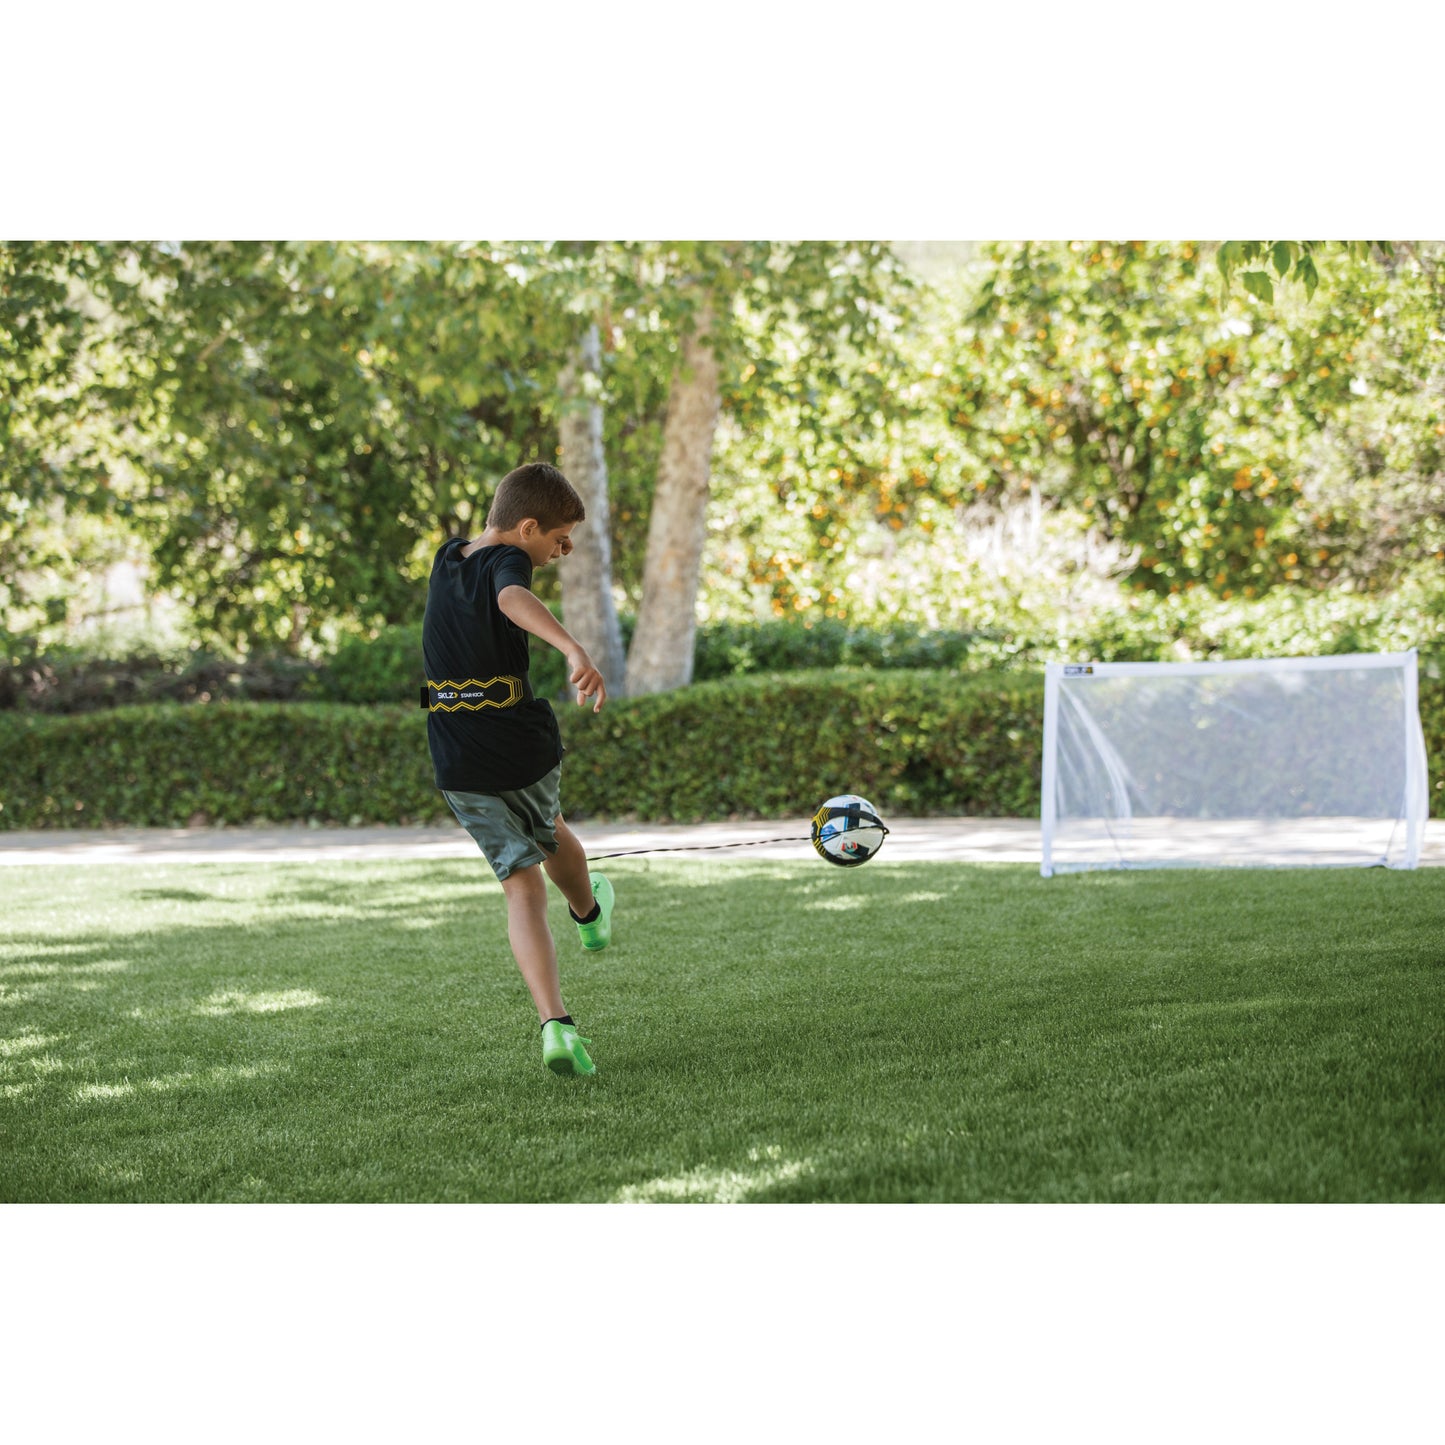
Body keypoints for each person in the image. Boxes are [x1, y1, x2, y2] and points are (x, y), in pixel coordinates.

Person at [422, 462, 613, 1078]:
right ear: (526, 528)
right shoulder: (509, 562)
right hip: (516, 744)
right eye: (559, 539)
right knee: (549, 830)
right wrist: (572, 647)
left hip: (456, 757)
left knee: (520, 886)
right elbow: (510, 597)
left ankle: (556, 1025)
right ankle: (589, 915)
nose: (563, 551)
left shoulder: (447, 557)